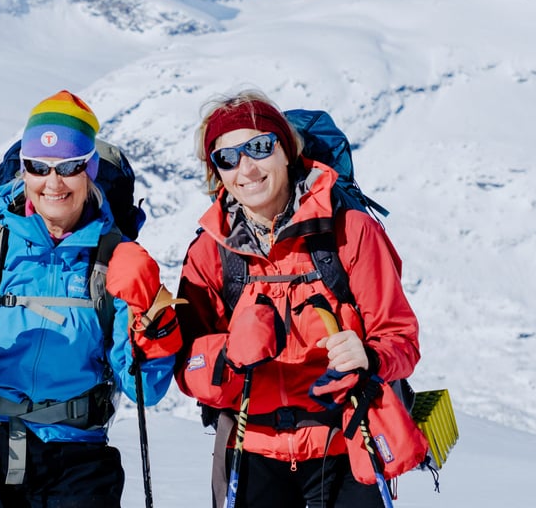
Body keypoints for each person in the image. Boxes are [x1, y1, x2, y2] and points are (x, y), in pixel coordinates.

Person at [0, 90, 182, 508]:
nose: (53, 182)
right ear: (24, 170)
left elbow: (145, 389)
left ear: (89, 170)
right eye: (38, 167)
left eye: (70, 167)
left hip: (74, 455)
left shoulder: (115, 257)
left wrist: (150, 318)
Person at [173, 91, 421, 507]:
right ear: (217, 172)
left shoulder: (350, 231)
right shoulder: (209, 252)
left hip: (345, 444)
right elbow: (185, 366)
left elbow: (401, 339)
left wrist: (369, 356)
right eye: (227, 158)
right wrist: (228, 355)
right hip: (252, 451)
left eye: (259, 147)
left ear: (287, 151)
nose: (246, 169)